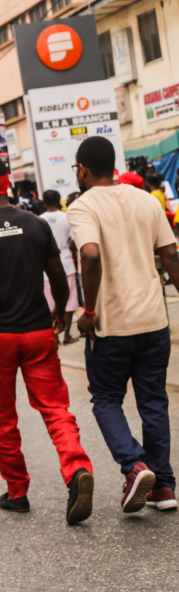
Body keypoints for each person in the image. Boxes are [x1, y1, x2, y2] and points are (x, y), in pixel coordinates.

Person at [0, 157, 95, 525]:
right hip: (38, 334)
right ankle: (77, 469)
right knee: (55, 409)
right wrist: (62, 313)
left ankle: (17, 492)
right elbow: (59, 274)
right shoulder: (35, 224)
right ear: (7, 185)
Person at [68, 136, 179, 512]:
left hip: (111, 326)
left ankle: (134, 466)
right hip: (153, 321)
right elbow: (172, 255)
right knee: (153, 402)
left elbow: (91, 256)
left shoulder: (82, 206)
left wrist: (89, 311)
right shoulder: (147, 201)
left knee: (106, 398)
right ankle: (164, 488)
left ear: (82, 170)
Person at [39, 190, 79, 344]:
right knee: (69, 301)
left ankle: (53, 336)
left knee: (49, 302)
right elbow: (72, 241)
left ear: (43, 201)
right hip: (66, 261)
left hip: (46, 266)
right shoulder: (66, 217)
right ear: (58, 200)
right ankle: (67, 335)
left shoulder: (39, 219)